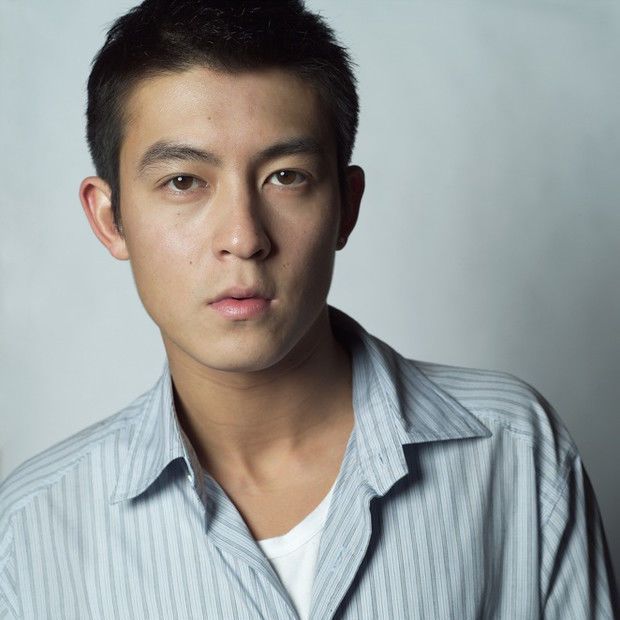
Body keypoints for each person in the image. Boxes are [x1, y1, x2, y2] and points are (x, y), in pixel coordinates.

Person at [0, 0, 617, 618]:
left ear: (346, 206)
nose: (243, 237)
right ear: (110, 220)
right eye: (184, 181)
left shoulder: (513, 449)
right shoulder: (31, 530)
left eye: (286, 176)